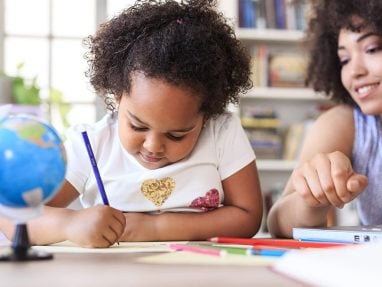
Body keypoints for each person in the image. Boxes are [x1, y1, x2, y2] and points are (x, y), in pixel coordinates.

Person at [0, 0, 263, 247]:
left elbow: (248, 216)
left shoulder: (222, 131)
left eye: (177, 135)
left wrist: (156, 228)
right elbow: (13, 218)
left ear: (206, 116)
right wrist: (69, 224)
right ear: (117, 95)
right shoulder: (91, 143)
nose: (153, 146)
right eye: (138, 126)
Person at [267, 0, 381, 238]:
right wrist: (312, 198)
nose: (354, 72)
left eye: (371, 49)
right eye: (344, 60)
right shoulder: (346, 123)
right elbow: (278, 221)